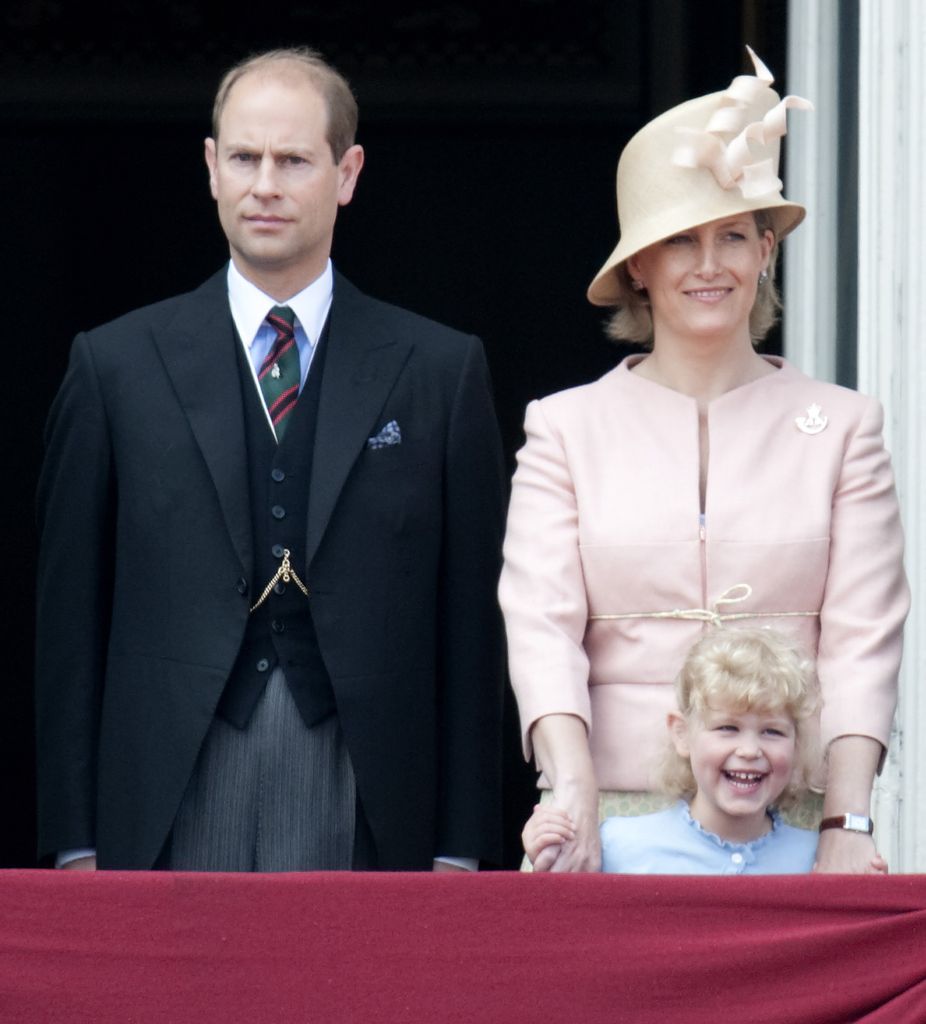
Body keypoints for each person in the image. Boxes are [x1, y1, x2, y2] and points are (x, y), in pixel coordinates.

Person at [35, 47, 506, 872]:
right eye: (245, 157)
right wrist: (74, 838)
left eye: (294, 160)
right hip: (169, 784)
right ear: (212, 168)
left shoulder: (439, 370)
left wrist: (462, 848)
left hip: (370, 784)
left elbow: (473, 626)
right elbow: (68, 621)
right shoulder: (114, 366)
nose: (266, 183)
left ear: (347, 172)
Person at [499, 48, 909, 874]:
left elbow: (864, 639)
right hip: (611, 810)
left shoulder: (844, 427)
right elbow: (542, 625)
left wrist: (847, 825)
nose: (710, 264)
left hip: (791, 817)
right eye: (681, 242)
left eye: (733, 236)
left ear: (767, 253)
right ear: (639, 269)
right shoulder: (565, 427)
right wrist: (568, 789)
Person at [523, 628, 888, 875]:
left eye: (772, 732)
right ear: (681, 734)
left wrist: (868, 898)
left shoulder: (819, 860)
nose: (749, 750)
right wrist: (549, 846)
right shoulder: (616, 846)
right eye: (727, 728)